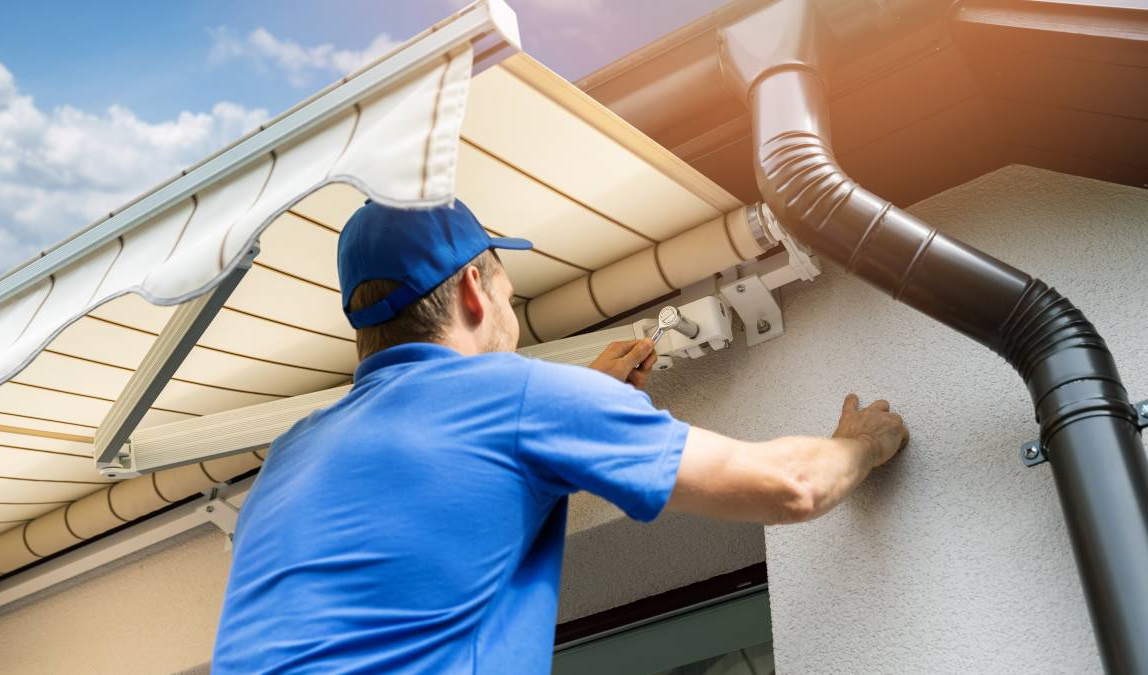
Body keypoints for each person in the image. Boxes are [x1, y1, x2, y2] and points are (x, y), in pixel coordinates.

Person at [212, 199, 908, 674]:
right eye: (509, 291)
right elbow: (791, 486)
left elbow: (443, 507)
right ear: (474, 291)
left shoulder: (291, 455)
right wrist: (863, 441)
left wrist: (582, 409)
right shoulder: (517, 396)